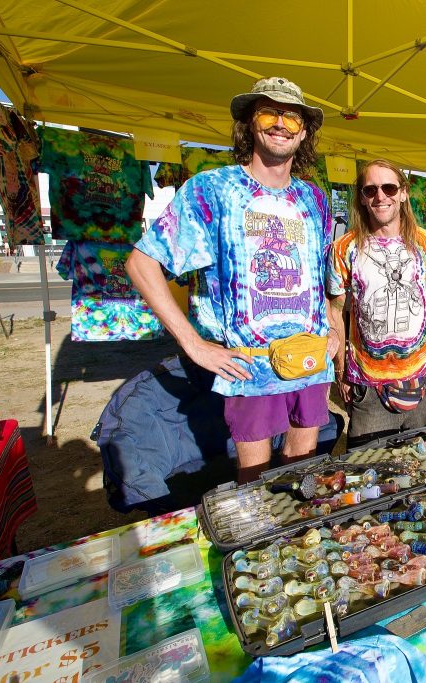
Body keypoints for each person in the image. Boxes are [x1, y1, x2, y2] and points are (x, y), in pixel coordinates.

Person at [126, 76, 339, 483]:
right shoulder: (212, 190)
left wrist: (335, 329)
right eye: (269, 114)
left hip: (311, 363)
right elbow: (142, 264)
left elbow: (319, 275)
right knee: (255, 482)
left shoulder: (314, 199)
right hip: (250, 368)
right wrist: (193, 345)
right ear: (250, 123)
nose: (281, 125)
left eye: (292, 118)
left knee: (304, 474)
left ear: (304, 132)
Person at [326, 159, 426, 446]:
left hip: (424, 382)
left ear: (403, 193)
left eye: (389, 188)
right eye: (370, 190)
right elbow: (335, 309)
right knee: (369, 468)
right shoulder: (344, 249)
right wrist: (341, 370)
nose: (380, 196)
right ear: (362, 198)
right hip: (369, 389)